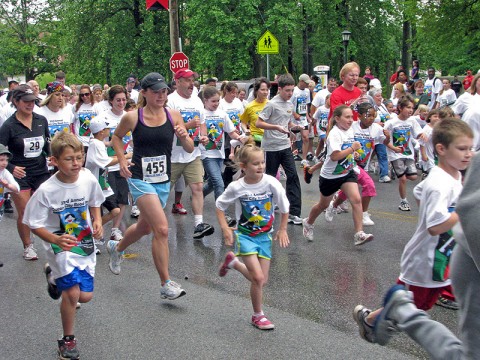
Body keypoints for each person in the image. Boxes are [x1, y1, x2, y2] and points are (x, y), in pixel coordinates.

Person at [353, 119, 475, 358]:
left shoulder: (453, 177)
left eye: (471, 148)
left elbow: (419, 190)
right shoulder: (440, 183)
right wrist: (466, 212)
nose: (469, 154)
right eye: (462, 149)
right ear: (441, 149)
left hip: (444, 256)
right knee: (413, 307)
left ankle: (372, 319)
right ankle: (370, 321)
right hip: (424, 261)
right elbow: (434, 226)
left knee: (427, 305)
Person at [107, 73, 193, 301]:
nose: (161, 95)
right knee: (162, 229)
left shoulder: (173, 115)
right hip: (139, 178)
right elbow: (116, 138)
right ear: (143, 92)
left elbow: (190, 148)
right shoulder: (133, 117)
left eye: (164, 91)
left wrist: (184, 136)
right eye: (155, 91)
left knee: (145, 227)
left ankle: (116, 249)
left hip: (163, 179)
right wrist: (123, 160)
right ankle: (166, 283)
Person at [22, 132, 104, 360]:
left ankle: (51, 275)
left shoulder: (87, 178)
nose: (76, 163)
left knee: (84, 297)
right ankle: (67, 341)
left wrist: (97, 220)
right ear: (55, 161)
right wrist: (55, 239)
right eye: (69, 159)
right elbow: (32, 223)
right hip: (60, 246)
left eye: (79, 157)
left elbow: (95, 201)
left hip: (84, 243)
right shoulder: (47, 190)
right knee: (72, 294)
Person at [216, 144, 290, 330]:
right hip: (245, 236)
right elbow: (219, 206)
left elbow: (285, 207)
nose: (261, 166)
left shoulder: (271, 183)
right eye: (256, 163)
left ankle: (233, 264)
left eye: (262, 162)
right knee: (257, 278)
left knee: (262, 280)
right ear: (243, 166)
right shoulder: (236, 187)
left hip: (265, 236)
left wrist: (283, 229)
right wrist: (225, 228)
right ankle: (258, 315)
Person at [302, 105, 374, 245]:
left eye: (351, 117)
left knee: (356, 200)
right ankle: (308, 222)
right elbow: (335, 156)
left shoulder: (350, 130)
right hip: (330, 177)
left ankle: (359, 234)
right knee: (323, 205)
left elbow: (348, 150)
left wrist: (355, 153)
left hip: (347, 172)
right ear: (337, 118)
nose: (350, 120)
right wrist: (352, 148)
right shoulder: (334, 134)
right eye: (347, 117)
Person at [0, 84, 51, 260]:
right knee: (25, 211)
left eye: (33, 101)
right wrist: (11, 167)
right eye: (26, 101)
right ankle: (28, 245)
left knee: (50, 206)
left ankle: (53, 238)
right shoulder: (8, 126)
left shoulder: (41, 120)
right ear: (16, 101)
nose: (30, 105)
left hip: (41, 171)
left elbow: (47, 143)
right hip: (20, 174)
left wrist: (52, 156)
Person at [167, 69, 215, 239]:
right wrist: (187, 125)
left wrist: (203, 136)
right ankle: (154, 224)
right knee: (163, 192)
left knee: (198, 187)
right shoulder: (171, 102)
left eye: (193, 80)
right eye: (187, 80)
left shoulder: (196, 101)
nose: (191, 84)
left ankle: (198, 224)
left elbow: (202, 123)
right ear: (177, 81)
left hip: (193, 154)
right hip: (172, 155)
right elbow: (167, 128)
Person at [326, 103, 388, 226]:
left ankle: (333, 206)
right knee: (369, 185)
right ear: (359, 116)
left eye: (373, 115)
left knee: (347, 192)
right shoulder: (351, 127)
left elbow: (385, 143)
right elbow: (340, 140)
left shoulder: (376, 128)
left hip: (363, 164)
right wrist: (351, 151)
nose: (371, 118)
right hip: (351, 164)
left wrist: (388, 138)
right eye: (368, 115)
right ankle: (364, 215)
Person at [256, 74, 303, 225]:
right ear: (280, 89)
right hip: (270, 147)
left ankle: (294, 213)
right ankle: (263, 210)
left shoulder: (290, 104)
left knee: (293, 176)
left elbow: (286, 123)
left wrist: (294, 129)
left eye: (292, 91)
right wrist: (275, 127)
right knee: (269, 179)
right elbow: (258, 123)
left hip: (285, 145)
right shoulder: (271, 104)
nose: (290, 94)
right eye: (287, 90)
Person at [85, 118, 126, 252]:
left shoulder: (99, 142)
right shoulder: (95, 144)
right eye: (107, 128)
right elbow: (105, 162)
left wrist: (112, 143)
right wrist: (124, 157)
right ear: (102, 131)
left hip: (102, 184)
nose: (109, 130)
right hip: (93, 185)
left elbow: (106, 145)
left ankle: (92, 231)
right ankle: (91, 238)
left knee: (115, 210)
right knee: (95, 213)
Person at [95, 85, 131, 242]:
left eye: (124, 99)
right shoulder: (102, 118)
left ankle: (115, 229)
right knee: (109, 200)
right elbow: (97, 141)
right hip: (107, 165)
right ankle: (97, 228)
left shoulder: (129, 116)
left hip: (125, 163)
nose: (121, 103)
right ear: (111, 101)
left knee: (123, 198)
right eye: (118, 100)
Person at [201, 86, 246, 201]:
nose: (216, 104)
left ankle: (198, 196)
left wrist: (240, 138)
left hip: (219, 154)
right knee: (219, 183)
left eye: (218, 101)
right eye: (213, 101)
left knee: (212, 182)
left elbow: (231, 132)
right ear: (205, 100)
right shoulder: (201, 114)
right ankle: (221, 211)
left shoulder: (222, 114)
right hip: (206, 154)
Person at [384, 96, 425, 211]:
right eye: (408, 107)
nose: (411, 110)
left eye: (412, 108)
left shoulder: (412, 121)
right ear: (400, 108)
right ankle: (403, 201)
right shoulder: (391, 123)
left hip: (408, 153)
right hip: (395, 154)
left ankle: (396, 171)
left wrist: (422, 135)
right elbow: (384, 140)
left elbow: (417, 133)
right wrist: (393, 147)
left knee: (413, 177)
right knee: (402, 179)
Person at [219, 82, 246, 188]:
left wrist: (244, 130)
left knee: (236, 162)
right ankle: (226, 183)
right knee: (230, 161)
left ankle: (225, 180)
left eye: (236, 93)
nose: (234, 95)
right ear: (226, 91)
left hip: (237, 134)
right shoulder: (221, 104)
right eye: (232, 93)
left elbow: (242, 118)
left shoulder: (238, 103)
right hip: (226, 136)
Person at [240, 78, 270, 147]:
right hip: (255, 140)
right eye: (262, 90)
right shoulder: (249, 106)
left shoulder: (271, 105)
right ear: (256, 91)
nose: (265, 92)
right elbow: (243, 122)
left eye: (267, 90)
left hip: (269, 139)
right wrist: (245, 130)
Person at [292, 74, 313, 167]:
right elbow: (289, 104)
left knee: (305, 137)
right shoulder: (294, 91)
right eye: (306, 83)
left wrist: (308, 116)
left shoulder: (307, 91)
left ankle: (304, 158)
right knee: (292, 137)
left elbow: (307, 104)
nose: (307, 85)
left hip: (303, 118)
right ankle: (293, 153)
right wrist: (294, 114)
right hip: (293, 118)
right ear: (301, 81)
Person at [72, 84, 101, 152]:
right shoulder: (75, 106)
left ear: (91, 94)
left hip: (93, 140)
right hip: (80, 141)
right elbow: (72, 122)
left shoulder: (97, 106)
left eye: (87, 94)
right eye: (82, 95)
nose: (84, 96)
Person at [0, 144, 20, 221]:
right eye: (1, 160)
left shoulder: (5, 173)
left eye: (6, 160)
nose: (5, 163)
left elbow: (17, 189)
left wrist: (7, 185)